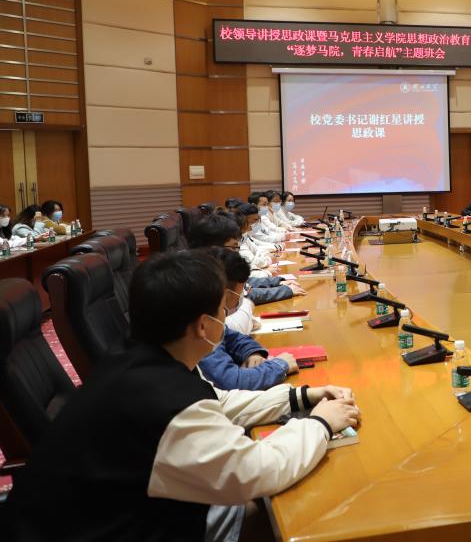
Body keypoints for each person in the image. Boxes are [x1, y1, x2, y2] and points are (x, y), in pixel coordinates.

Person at [10, 249, 361, 541]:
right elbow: (256, 472)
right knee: (305, 512)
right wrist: (320, 423)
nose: (227, 316)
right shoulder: (163, 399)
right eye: (224, 310)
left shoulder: (137, 356)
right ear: (204, 326)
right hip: (115, 528)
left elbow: (218, 402)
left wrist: (301, 396)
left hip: (109, 512)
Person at [197, 247, 299, 390]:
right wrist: (280, 365)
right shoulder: (197, 324)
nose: (243, 297)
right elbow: (231, 382)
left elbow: (231, 337)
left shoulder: (207, 313)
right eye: (240, 293)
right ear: (224, 294)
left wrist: (252, 353)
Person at [189, 213, 305, 308]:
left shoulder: (210, 264)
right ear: (214, 248)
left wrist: (275, 282)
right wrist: (284, 291)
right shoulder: (200, 277)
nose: (237, 252)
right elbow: (243, 296)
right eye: (234, 247)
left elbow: (244, 285)